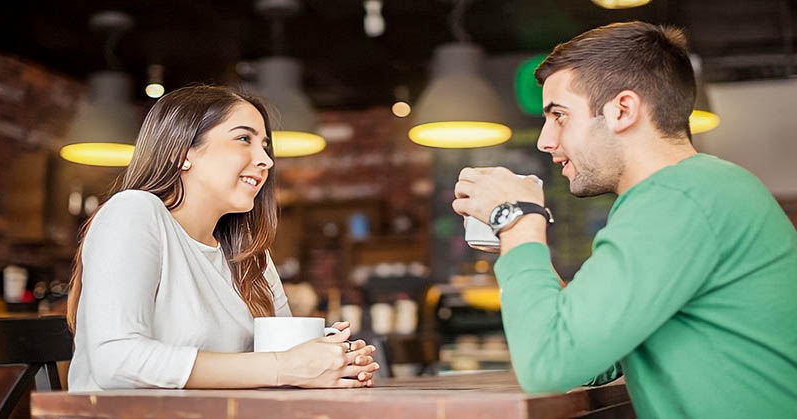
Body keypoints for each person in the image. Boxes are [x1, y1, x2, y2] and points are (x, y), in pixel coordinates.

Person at [452, 21, 797, 418]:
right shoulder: (696, 192)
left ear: (623, 110)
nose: (545, 140)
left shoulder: (678, 198)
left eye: (559, 115)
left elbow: (548, 365)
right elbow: (593, 357)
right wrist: (516, 233)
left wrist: (516, 220)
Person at [66, 86, 379, 391]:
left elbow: (284, 361)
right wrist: (287, 366)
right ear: (181, 152)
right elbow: (116, 361)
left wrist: (333, 360)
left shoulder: (249, 253)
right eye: (244, 139)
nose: (266, 161)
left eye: (266, 147)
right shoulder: (134, 211)